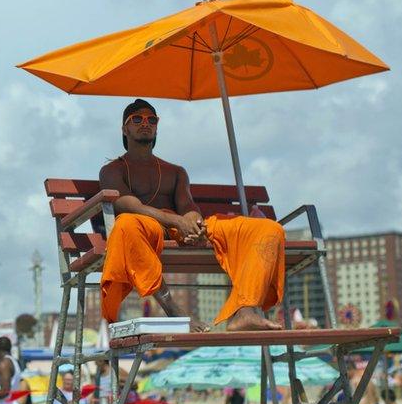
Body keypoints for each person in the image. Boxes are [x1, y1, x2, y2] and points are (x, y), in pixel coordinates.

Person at [98, 98, 286, 332]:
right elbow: (128, 205)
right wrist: (177, 220)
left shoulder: (175, 172)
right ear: (125, 128)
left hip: (179, 231)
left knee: (269, 229)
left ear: (157, 126)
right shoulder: (111, 170)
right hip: (144, 230)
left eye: (151, 119)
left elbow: (188, 206)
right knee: (125, 224)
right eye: (137, 119)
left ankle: (245, 310)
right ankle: (175, 313)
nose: (145, 123)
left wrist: (196, 227)